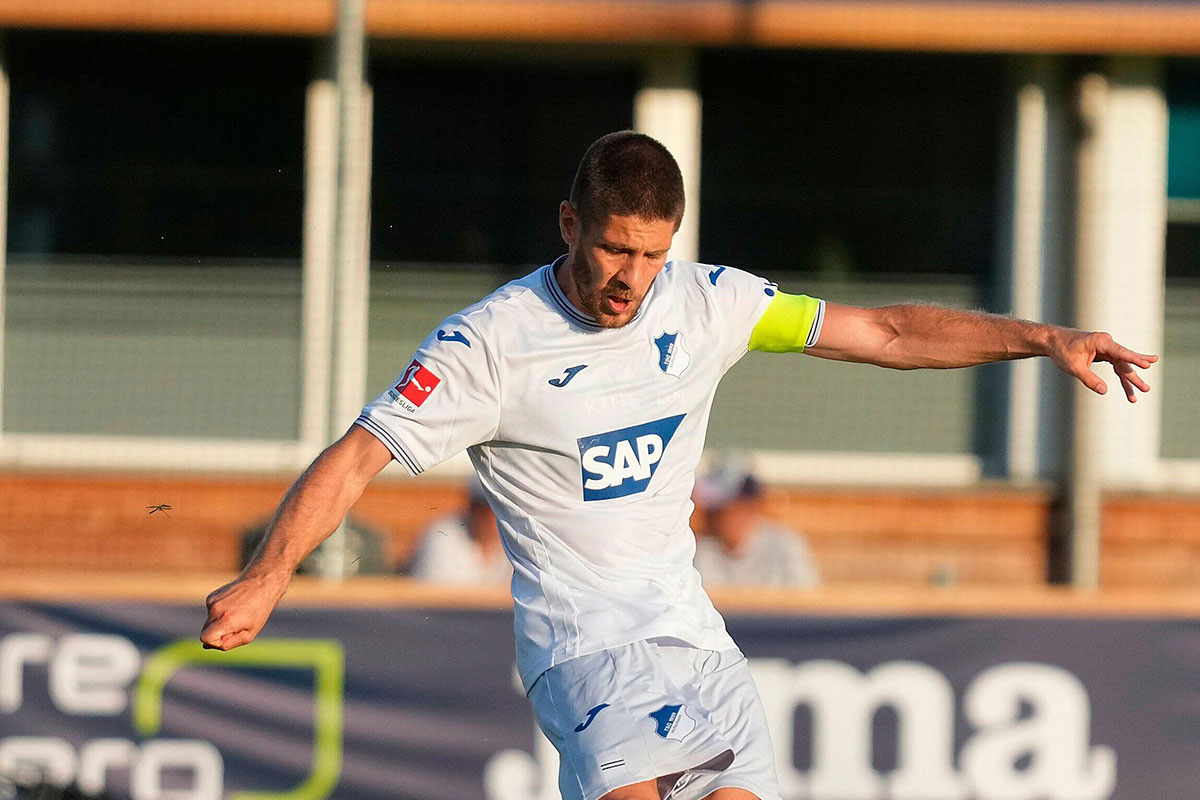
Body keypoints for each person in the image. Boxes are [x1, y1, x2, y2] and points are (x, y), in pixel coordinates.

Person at [201, 131, 1157, 800]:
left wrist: (1044, 336)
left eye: (652, 255)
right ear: (570, 222)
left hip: (695, 638)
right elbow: (359, 453)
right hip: (584, 646)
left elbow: (892, 332)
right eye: (616, 249)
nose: (631, 279)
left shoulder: (714, 303)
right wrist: (267, 576)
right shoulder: (487, 345)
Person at [693, 460, 819, 589]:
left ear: (752, 507)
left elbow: (808, 601)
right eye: (716, 509)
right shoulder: (703, 549)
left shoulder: (785, 544)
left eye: (734, 506)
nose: (719, 516)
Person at [405, 476, 510, 584]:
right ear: (473, 508)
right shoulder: (442, 536)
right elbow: (432, 596)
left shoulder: (516, 540)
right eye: (489, 508)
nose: (496, 516)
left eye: (504, 509)